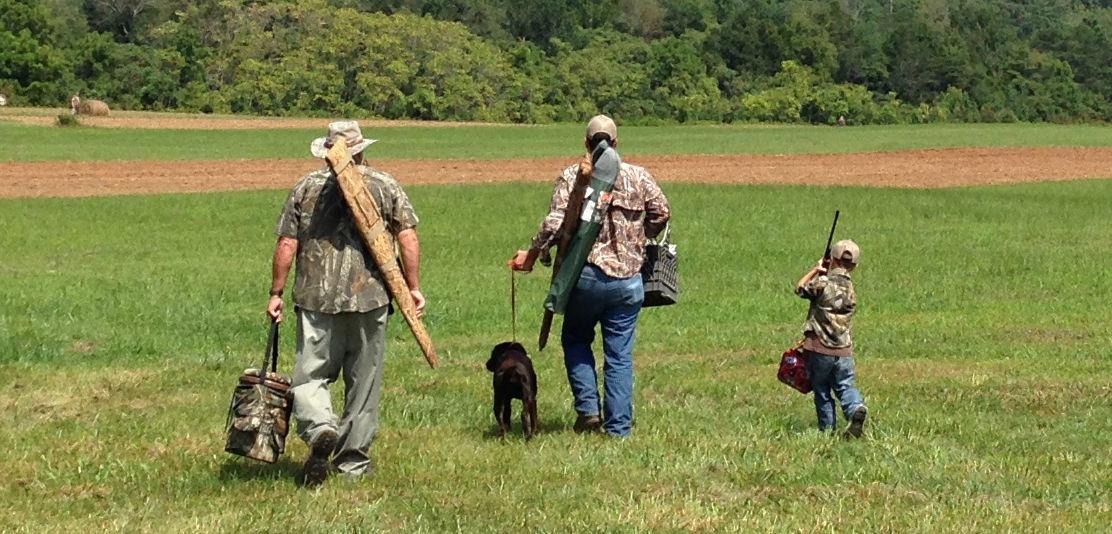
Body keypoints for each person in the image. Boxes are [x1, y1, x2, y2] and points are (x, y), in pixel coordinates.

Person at [267, 121, 424, 486]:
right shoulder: (386, 185)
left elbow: (287, 244)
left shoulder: (306, 188)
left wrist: (275, 292)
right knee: (363, 384)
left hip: (315, 299)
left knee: (309, 377)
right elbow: (408, 237)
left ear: (327, 152)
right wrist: (413, 288)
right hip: (370, 300)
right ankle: (352, 464)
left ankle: (321, 426)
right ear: (361, 149)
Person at [509, 115, 670, 438]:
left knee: (576, 339)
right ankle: (619, 429)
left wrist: (533, 253)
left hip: (586, 277)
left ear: (586, 143)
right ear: (615, 143)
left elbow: (555, 223)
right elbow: (662, 211)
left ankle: (587, 410)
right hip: (628, 281)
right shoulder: (638, 176)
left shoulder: (574, 177)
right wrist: (641, 237)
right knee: (620, 356)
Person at [794, 239, 868, 437]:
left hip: (819, 347)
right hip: (844, 349)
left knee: (823, 391)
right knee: (845, 386)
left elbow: (800, 288)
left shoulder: (823, 282)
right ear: (855, 266)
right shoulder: (851, 290)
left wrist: (817, 269)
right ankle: (855, 409)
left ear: (832, 259)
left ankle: (827, 432)